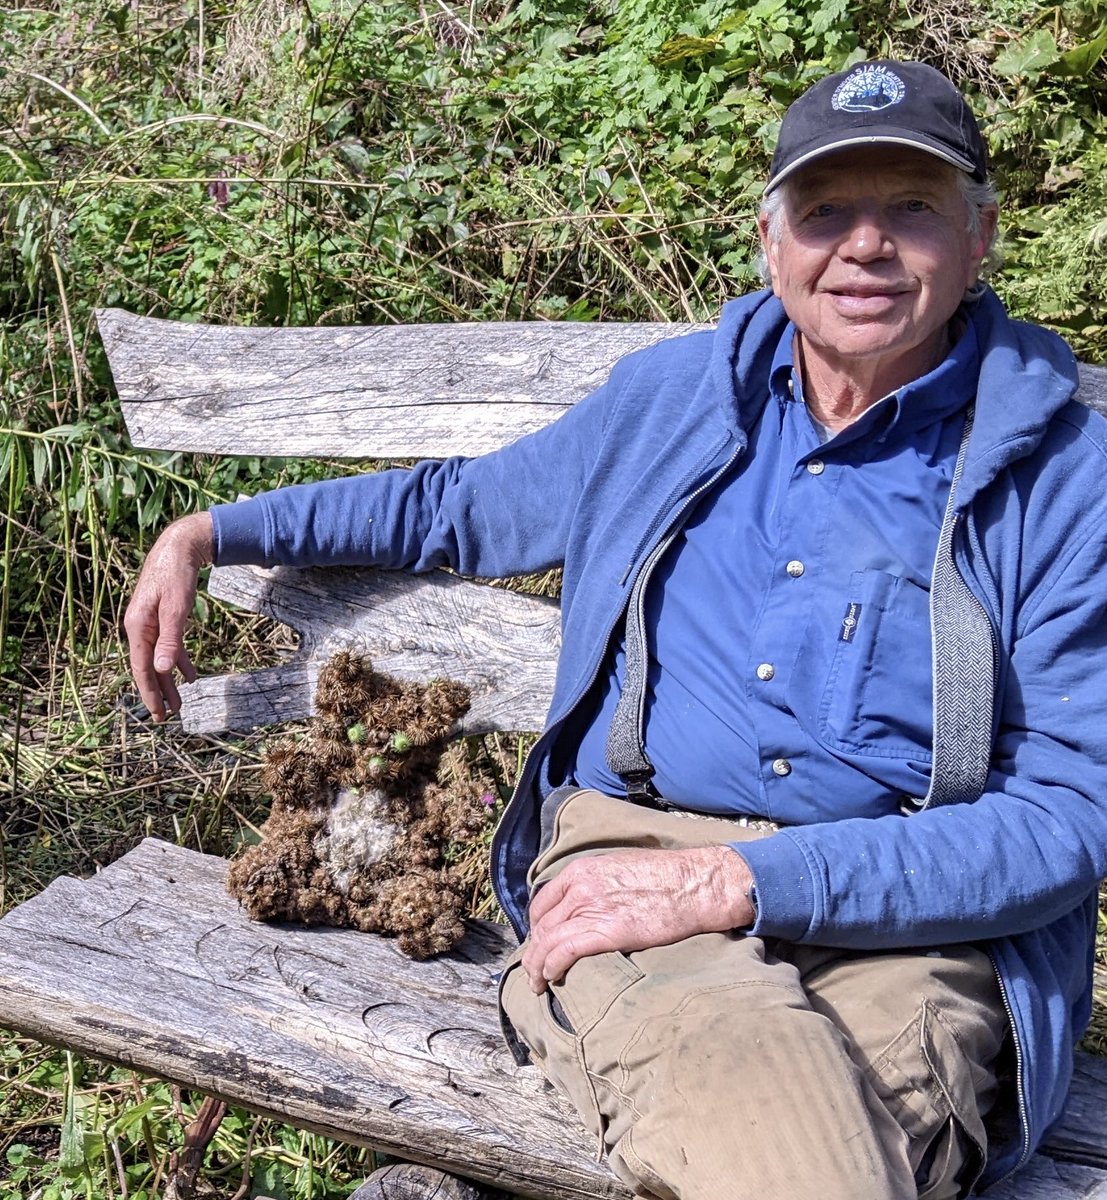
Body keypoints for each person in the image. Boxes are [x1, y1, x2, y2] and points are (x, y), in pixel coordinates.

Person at [125, 60, 1107, 1199]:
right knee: (789, 1135)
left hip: (908, 906)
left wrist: (743, 881)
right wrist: (212, 532)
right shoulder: (674, 403)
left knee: (859, 1140)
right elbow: (458, 508)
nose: (866, 246)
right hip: (638, 860)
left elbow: (1066, 819)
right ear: (770, 241)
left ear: (978, 238)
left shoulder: (1063, 479)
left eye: (914, 208)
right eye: (826, 210)